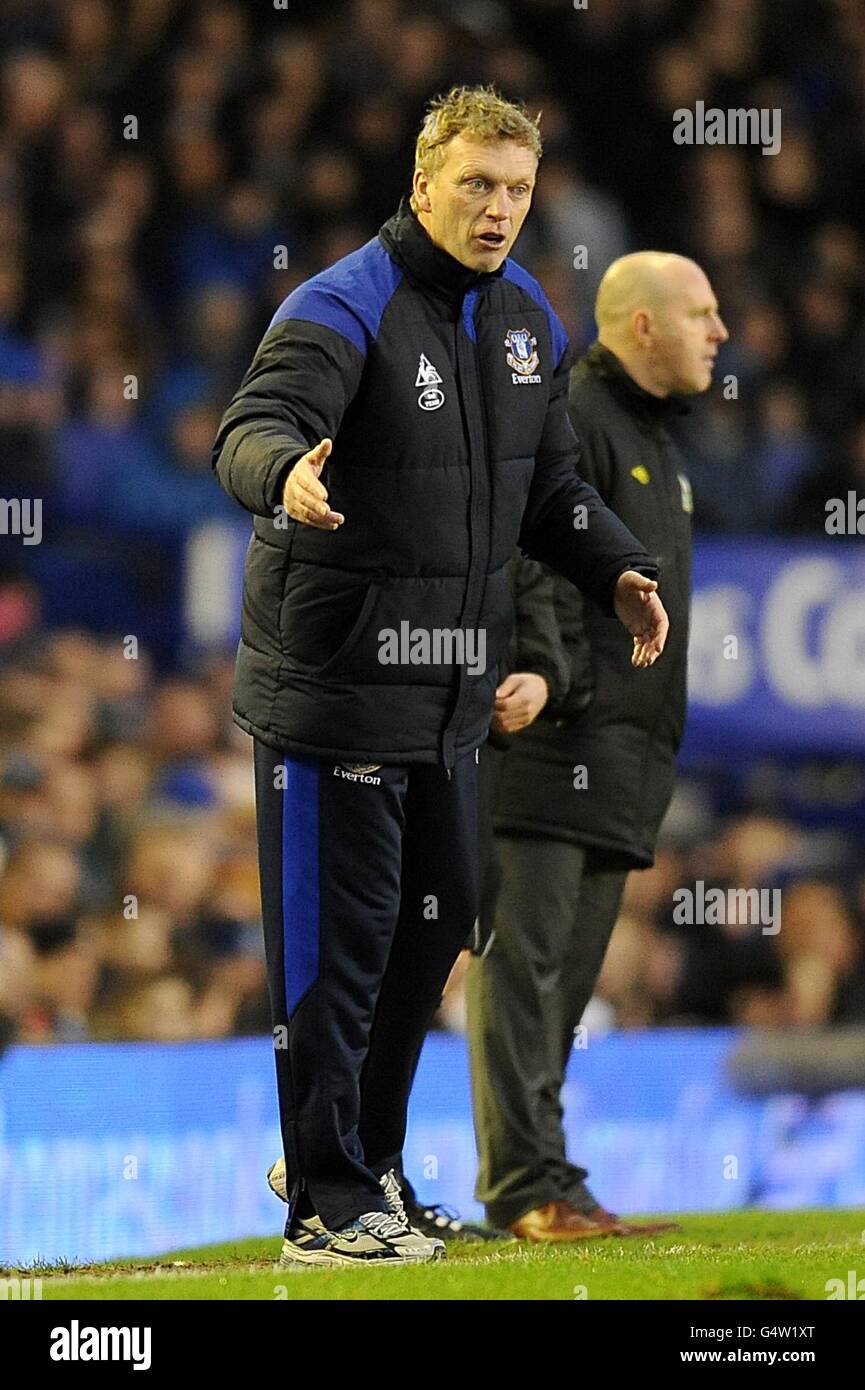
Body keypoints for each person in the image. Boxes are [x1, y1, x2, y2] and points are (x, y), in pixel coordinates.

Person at [212, 88, 669, 1268]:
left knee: (436, 932)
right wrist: (283, 475)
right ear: (423, 185)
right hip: (335, 685)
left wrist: (616, 569)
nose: (499, 208)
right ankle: (323, 1198)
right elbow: (252, 425)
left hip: (448, 695)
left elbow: (552, 491)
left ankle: (364, 1157)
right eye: (476, 185)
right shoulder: (341, 303)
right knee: (340, 944)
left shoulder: (526, 320)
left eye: (516, 189)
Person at [466, 251, 728, 1241]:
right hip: (550, 748)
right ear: (642, 326)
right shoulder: (575, 416)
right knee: (525, 973)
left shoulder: (652, 436)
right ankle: (525, 1187)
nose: (721, 332)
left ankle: (549, 1181)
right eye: (700, 312)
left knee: (561, 984)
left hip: (619, 759)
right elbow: (534, 560)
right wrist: (555, 680)